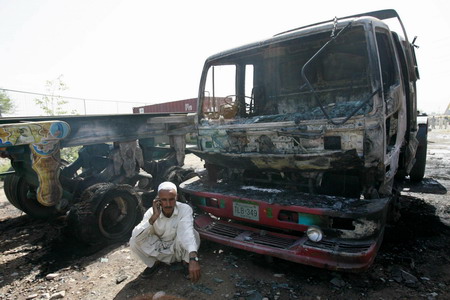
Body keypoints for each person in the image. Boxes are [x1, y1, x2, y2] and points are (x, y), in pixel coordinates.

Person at [129, 181, 201, 282]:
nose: (167, 204)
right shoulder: (151, 212)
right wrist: (154, 217)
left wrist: (193, 258)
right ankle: (155, 263)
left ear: (177, 197)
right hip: (160, 249)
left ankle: (186, 262)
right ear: (158, 200)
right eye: (164, 200)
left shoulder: (184, 209)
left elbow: (186, 232)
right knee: (134, 241)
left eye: (171, 199)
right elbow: (136, 236)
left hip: (178, 248)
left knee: (193, 233)